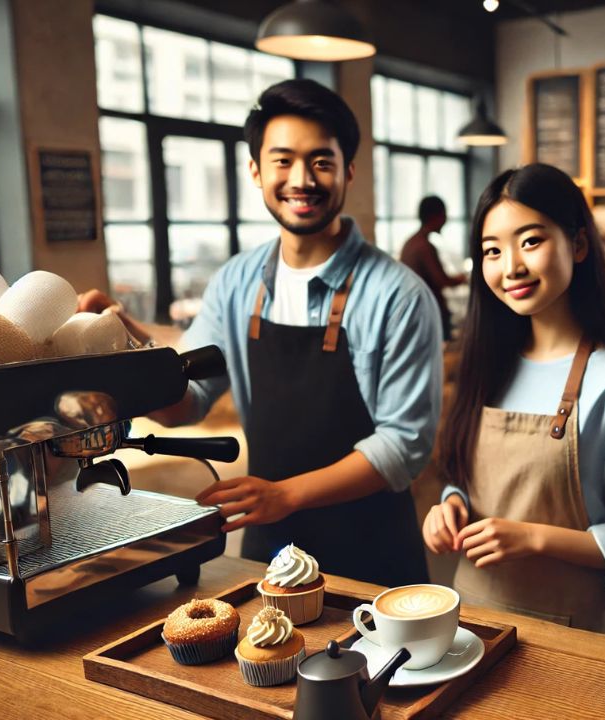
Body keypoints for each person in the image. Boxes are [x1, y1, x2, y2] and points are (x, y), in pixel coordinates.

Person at [82, 79, 442, 587]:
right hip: (269, 547)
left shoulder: (398, 295)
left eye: (321, 161)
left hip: (372, 553)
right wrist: (124, 346)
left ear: (349, 172)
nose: (302, 178)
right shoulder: (236, 282)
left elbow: (403, 445)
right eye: (282, 160)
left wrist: (285, 494)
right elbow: (188, 400)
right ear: (255, 170)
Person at [420, 163, 605, 634]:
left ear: (577, 244)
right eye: (492, 250)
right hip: (469, 625)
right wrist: (450, 505)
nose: (510, 266)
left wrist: (532, 538)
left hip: (568, 637)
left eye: (530, 241)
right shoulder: (488, 368)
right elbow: (469, 484)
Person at [400, 195, 467, 341]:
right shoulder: (424, 246)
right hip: (428, 312)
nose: (446, 220)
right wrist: (462, 278)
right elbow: (441, 280)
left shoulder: (410, 243)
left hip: (415, 312)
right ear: (437, 216)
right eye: (444, 215)